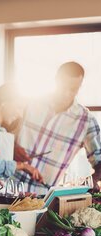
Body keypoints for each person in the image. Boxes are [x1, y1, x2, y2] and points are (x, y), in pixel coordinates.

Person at [13, 61, 101, 195]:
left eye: (73, 89)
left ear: (79, 87)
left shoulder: (86, 121)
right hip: (7, 187)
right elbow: (2, 132)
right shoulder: (30, 103)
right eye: (63, 87)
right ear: (55, 81)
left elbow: (99, 162)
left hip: (42, 197)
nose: (66, 93)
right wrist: (12, 146)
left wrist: (92, 181)